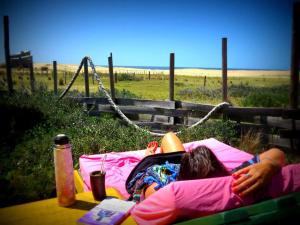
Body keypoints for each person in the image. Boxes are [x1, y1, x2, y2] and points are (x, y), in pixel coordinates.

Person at [128, 132, 285, 201]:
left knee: (155, 155)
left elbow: (147, 187)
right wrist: (269, 165)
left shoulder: (167, 191)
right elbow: (276, 153)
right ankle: (160, 155)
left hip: (161, 172)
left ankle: (148, 153)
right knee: (169, 137)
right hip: (183, 166)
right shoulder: (230, 180)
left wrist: (149, 157)